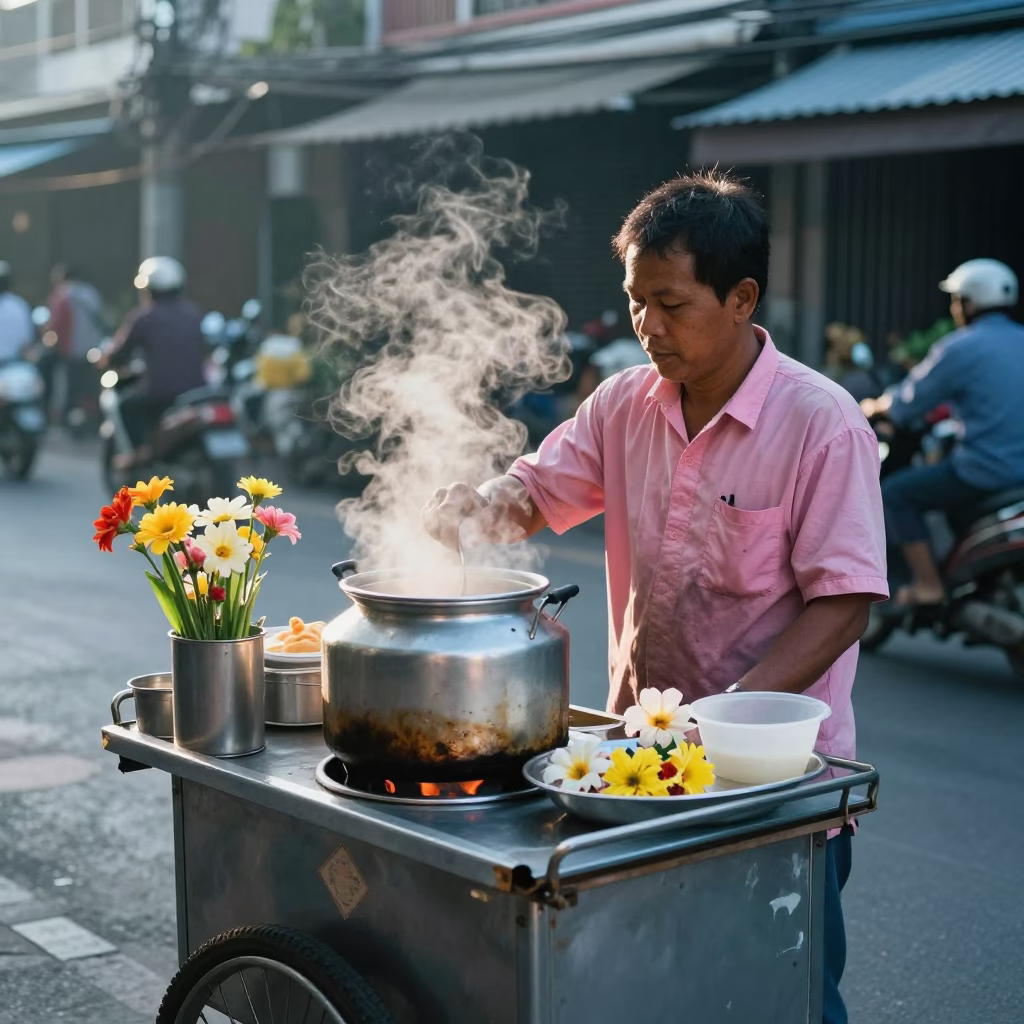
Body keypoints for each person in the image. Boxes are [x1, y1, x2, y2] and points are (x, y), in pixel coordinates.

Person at [424, 170, 887, 1024]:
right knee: (644, 990)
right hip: (637, 764)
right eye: (637, 300)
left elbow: (843, 603)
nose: (648, 326)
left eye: (671, 304)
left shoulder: (822, 425)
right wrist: (477, 502)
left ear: (741, 297)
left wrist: (731, 716)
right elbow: (537, 489)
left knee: (783, 998)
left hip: (765, 780)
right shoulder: (623, 406)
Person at [861, 258, 1024, 611]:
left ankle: (928, 584)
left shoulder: (961, 347)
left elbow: (907, 402)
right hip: (1019, 474)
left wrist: (874, 408)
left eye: (956, 300)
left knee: (897, 493)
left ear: (968, 302)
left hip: (986, 470)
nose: (954, 308)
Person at [102, 257, 207, 455]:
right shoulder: (194, 314)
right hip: (197, 390)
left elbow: (120, 353)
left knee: (125, 405)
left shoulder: (144, 317)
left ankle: (138, 453)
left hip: (160, 392)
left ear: (147, 289)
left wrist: (106, 360)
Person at [47, 264, 105, 426]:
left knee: (70, 388)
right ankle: (95, 418)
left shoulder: (62, 295)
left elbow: (57, 326)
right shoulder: (91, 293)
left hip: (72, 350)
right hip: (94, 350)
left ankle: (65, 421)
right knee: (91, 387)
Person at [0, 261, 34, 363]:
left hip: (12, 367)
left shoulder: (18, 305)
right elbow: (27, 343)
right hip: (14, 368)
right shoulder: (19, 305)